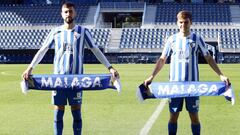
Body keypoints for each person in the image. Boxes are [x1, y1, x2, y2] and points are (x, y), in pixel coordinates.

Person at [22, 2, 119, 135]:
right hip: (58, 81)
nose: (68, 14)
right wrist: (30, 68)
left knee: (77, 114)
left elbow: (95, 50)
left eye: (71, 11)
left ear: (75, 13)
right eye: (66, 12)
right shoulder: (55, 32)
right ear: (62, 14)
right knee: (58, 115)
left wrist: (110, 67)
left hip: (77, 80)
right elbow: (43, 50)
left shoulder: (83, 31)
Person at [144, 10, 230, 135]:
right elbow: (162, 59)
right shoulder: (171, 40)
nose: (183, 25)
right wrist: (152, 76)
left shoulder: (197, 39)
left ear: (191, 23)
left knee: (194, 117)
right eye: (180, 22)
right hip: (174, 86)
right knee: (173, 116)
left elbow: (208, 58)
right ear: (177, 23)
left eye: (186, 22)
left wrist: (221, 75)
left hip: (192, 86)